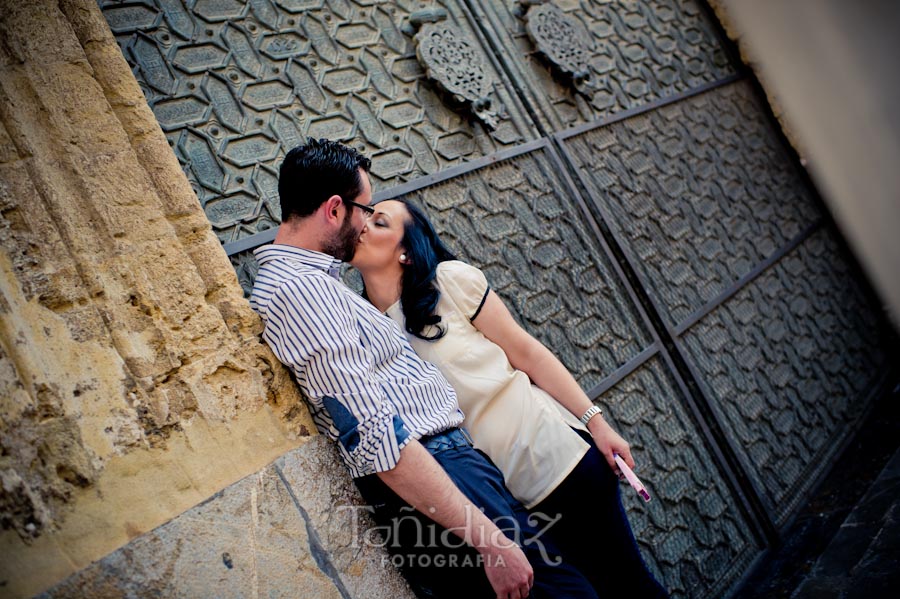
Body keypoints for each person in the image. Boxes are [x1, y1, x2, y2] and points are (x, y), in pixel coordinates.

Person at [249, 138, 599, 599]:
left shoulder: (314, 284)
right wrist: (488, 538)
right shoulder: (301, 292)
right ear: (334, 210)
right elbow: (374, 434)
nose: (365, 224)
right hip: (440, 476)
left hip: (451, 473)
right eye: (364, 209)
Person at [349, 198, 669, 598]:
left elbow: (528, 352)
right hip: (501, 503)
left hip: (557, 461)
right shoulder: (360, 325)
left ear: (407, 251)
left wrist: (596, 422)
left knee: (627, 587)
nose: (363, 225)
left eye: (379, 222)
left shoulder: (448, 282)